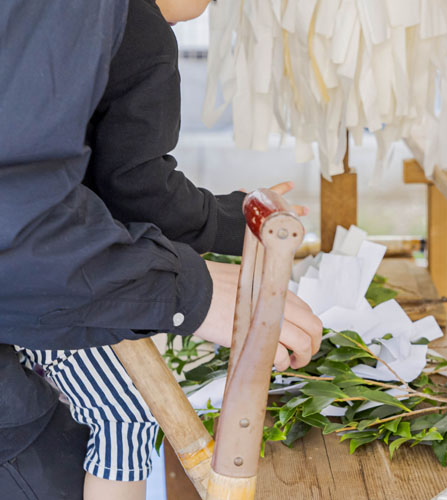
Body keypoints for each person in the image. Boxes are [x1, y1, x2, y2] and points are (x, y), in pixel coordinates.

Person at [0, 1, 322, 499]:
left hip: (58, 271)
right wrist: (205, 267)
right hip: (54, 279)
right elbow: (135, 187)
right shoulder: (140, 28)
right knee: (126, 415)